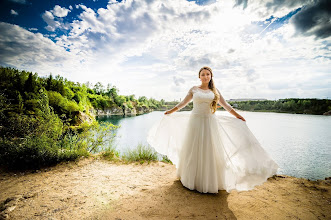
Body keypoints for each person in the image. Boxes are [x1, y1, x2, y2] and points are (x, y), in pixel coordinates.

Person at [147, 66, 279, 194]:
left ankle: (209, 181)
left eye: (207, 74)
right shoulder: (194, 89)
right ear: (199, 77)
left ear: (211, 76)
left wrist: (238, 115)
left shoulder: (215, 91)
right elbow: (183, 104)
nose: (205, 76)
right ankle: (192, 179)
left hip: (210, 122)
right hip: (195, 122)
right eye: (203, 74)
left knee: (210, 150)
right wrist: (170, 111)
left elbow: (226, 105)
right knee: (194, 148)